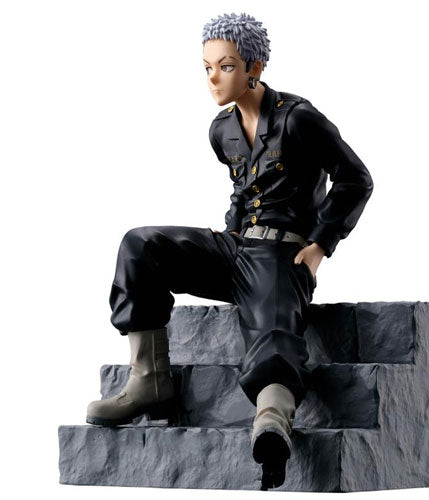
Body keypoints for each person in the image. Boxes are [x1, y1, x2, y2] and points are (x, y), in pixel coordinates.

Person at [86, 12, 374, 490]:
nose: (213, 78)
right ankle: (149, 380)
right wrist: (229, 236)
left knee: (273, 329)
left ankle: (271, 420)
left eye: (225, 66)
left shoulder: (299, 119)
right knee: (140, 244)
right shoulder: (222, 129)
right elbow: (242, 190)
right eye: (207, 67)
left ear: (254, 67)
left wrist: (320, 246)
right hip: (236, 248)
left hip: (282, 255)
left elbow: (355, 179)